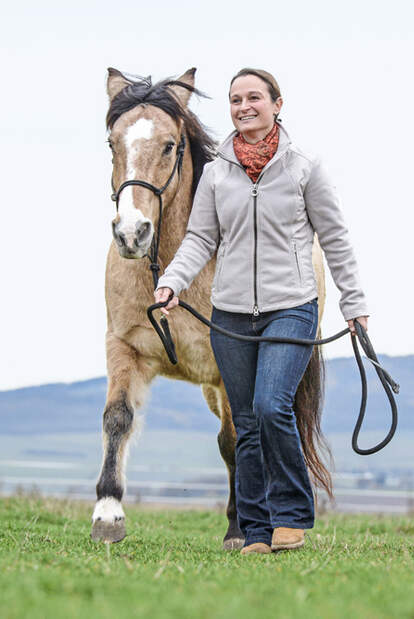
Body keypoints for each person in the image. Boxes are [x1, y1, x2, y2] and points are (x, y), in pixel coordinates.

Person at [154, 68, 369, 555]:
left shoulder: (304, 167)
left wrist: (354, 303)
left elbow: (334, 238)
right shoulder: (216, 172)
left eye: (254, 97)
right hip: (229, 312)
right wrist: (172, 281)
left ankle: (290, 516)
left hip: (291, 306)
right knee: (245, 420)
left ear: (277, 104)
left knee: (273, 407)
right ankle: (254, 530)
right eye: (235, 99)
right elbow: (200, 239)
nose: (243, 105)